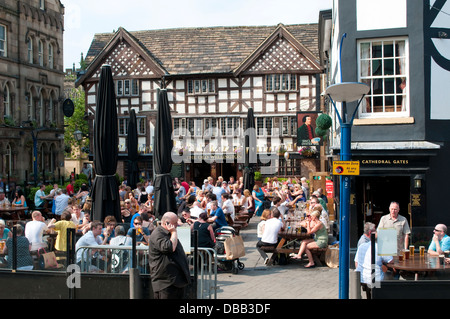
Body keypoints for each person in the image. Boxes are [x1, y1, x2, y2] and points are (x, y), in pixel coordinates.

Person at [148, 212, 191, 299]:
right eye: (175, 223)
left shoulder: (168, 233)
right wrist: (174, 232)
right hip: (165, 282)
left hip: (176, 281)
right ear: (167, 223)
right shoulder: (158, 234)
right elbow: (170, 248)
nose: (177, 225)